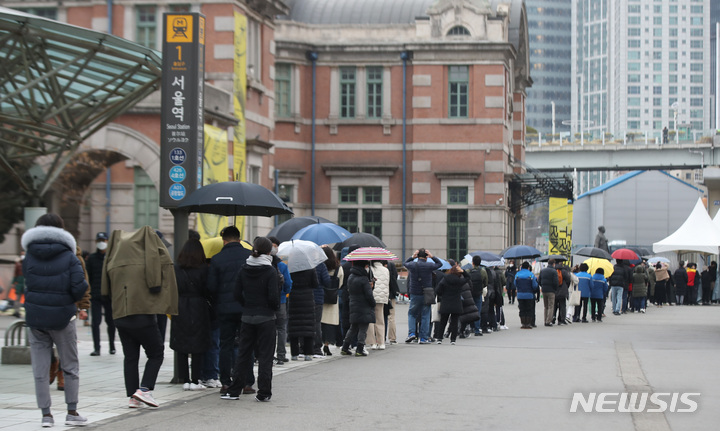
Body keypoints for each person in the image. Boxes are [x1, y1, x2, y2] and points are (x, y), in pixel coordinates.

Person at [22, 213, 90, 427]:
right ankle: (71, 412)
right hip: (63, 317)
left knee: (40, 369)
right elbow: (80, 286)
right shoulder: (69, 256)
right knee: (70, 366)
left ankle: (46, 415)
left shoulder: (28, 256)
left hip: (36, 318)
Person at [102, 225, 178, 409]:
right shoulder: (147, 260)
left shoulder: (114, 258)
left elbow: (105, 288)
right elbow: (157, 277)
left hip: (120, 315)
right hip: (142, 314)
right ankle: (145, 390)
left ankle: (133, 397)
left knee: (130, 357)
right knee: (156, 352)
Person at [221, 237, 279, 402]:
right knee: (265, 356)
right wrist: (270, 308)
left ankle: (234, 391)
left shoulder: (244, 268)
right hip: (266, 317)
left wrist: (247, 305)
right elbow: (274, 297)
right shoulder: (270, 271)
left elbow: (236, 293)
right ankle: (264, 392)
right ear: (269, 252)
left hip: (247, 316)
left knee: (243, 354)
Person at [207, 226, 253, 393]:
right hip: (246, 308)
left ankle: (226, 382)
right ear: (240, 240)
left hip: (225, 309)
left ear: (224, 241)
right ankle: (247, 382)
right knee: (246, 344)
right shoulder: (249, 256)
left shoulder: (217, 259)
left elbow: (211, 287)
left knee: (225, 345)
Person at [170, 238, 212, 391]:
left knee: (181, 343)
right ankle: (195, 379)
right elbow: (209, 290)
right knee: (198, 344)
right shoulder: (204, 269)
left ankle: (184, 379)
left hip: (180, 306)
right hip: (198, 306)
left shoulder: (176, 269)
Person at [86, 232, 116, 356]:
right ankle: (96, 348)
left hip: (109, 296)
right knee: (95, 322)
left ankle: (112, 346)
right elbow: (88, 277)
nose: (101, 242)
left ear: (108, 241)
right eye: (99, 240)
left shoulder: (112, 257)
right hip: (95, 295)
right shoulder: (92, 258)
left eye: (103, 240)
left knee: (111, 322)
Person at [403, 249, 442, 344]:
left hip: (415, 293)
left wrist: (412, 257)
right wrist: (432, 257)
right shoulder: (429, 265)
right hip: (426, 293)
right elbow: (439, 264)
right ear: (426, 257)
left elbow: (405, 263)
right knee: (425, 315)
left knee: (412, 314)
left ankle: (412, 333)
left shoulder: (412, 265)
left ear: (417, 256)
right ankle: (423, 337)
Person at [340, 260, 376, 356]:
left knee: (353, 328)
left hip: (353, 304)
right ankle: (360, 349)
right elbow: (368, 295)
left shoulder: (351, 277)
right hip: (364, 306)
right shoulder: (363, 279)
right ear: (363, 266)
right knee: (363, 328)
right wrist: (373, 303)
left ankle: (345, 347)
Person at [268, 236, 292, 364]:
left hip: (267, 301)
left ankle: (269, 355)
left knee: (270, 328)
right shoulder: (282, 265)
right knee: (281, 328)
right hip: (281, 300)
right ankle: (281, 355)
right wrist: (284, 293)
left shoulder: (263, 264)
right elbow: (288, 283)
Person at [287, 266, 318, 361]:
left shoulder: (291, 269)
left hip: (294, 298)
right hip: (307, 298)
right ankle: (308, 353)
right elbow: (316, 284)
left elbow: (288, 283)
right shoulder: (311, 269)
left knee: (294, 326)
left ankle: (294, 354)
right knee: (308, 326)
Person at [434, 260, 467, 344]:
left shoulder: (445, 279)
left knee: (443, 321)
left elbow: (438, 290)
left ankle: (439, 338)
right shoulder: (459, 281)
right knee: (454, 322)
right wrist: (463, 271)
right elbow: (468, 278)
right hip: (456, 303)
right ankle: (453, 340)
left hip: (446, 302)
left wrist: (443, 295)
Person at [320, 246, 342, 355]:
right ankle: (327, 345)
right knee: (329, 323)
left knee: (320, 322)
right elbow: (341, 283)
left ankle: (318, 342)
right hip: (333, 298)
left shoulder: (320, 266)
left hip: (321, 296)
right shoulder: (338, 268)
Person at [366, 260, 389, 350]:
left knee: (370, 320)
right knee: (380, 319)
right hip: (382, 297)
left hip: (371, 296)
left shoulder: (369, 269)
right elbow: (387, 283)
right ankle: (381, 342)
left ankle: (372, 343)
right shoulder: (385, 270)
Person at [466, 256, 487, 336]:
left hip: (469, 293)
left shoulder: (468, 271)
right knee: (477, 311)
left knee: (469, 311)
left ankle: (469, 327)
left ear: (473, 262)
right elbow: (485, 282)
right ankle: (477, 330)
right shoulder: (483, 271)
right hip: (478, 293)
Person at [514, 262, 539, 329]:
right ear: (528, 267)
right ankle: (528, 324)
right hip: (529, 295)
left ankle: (523, 323)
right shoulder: (531, 275)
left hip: (520, 295)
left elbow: (515, 284)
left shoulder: (517, 275)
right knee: (528, 309)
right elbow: (534, 286)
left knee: (522, 309)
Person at [538, 259, 559, 327]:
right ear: (553, 264)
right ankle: (548, 321)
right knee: (551, 306)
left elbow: (539, 281)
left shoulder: (542, 271)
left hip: (544, 290)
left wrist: (543, 286)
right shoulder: (554, 271)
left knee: (546, 306)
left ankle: (545, 320)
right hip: (551, 290)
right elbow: (556, 282)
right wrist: (555, 289)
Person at [10, 251, 25, 318]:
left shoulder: (28, 263)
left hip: (25, 282)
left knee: (25, 298)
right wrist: (13, 282)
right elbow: (15, 274)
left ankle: (18, 311)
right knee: (17, 298)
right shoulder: (18, 264)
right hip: (20, 283)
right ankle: (16, 311)